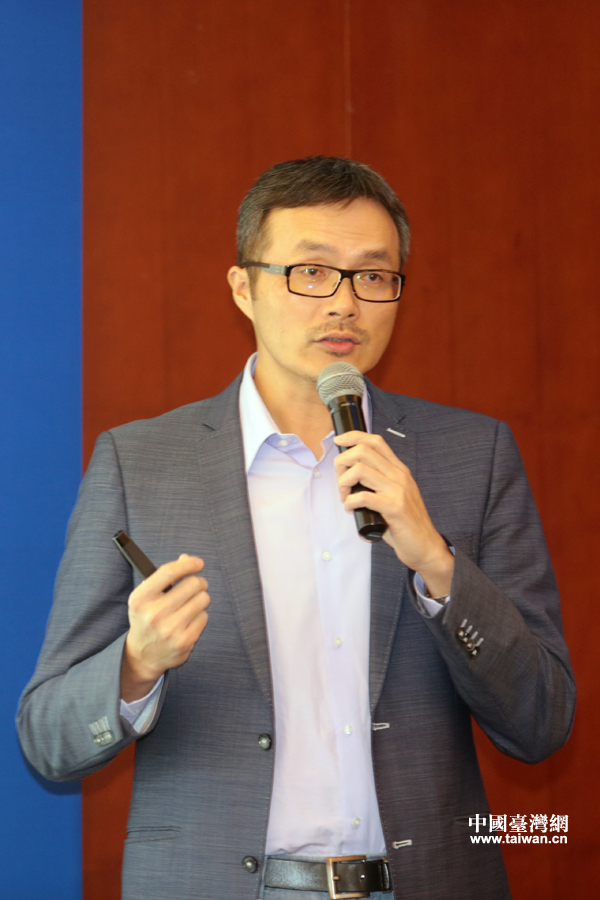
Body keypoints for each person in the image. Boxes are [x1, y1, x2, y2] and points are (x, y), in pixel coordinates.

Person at [18, 156, 575, 900]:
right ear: (242, 288)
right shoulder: (141, 463)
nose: (344, 304)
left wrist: (439, 567)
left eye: (372, 276)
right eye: (311, 272)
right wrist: (135, 665)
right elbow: (47, 739)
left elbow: (541, 721)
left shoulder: (472, 456)